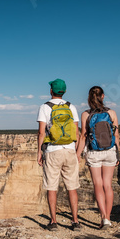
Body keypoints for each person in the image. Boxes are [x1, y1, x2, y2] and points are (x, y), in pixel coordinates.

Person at [37, 79, 81, 231]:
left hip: (52, 150)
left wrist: (39, 152)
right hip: (70, 150)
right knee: (72, 187)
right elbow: (76, 132)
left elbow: (42, 132)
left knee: (52, 187)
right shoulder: (71, 107)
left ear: (51, 91)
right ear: (64, 91)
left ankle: (53, 222)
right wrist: (76, 151)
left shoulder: (45, 107)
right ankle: (75, 221)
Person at [76, 86, 120, 230]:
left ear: (89, 98)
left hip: (94, 152)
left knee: (97, 184)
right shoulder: (111, 113)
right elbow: (116, 135)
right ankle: (108, 217)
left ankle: (103, 218)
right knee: (108, 185)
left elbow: (83, 136)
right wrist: (118, 152)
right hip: (110, 151)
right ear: (103, 96)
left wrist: (78, 154)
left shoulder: (85, 115)